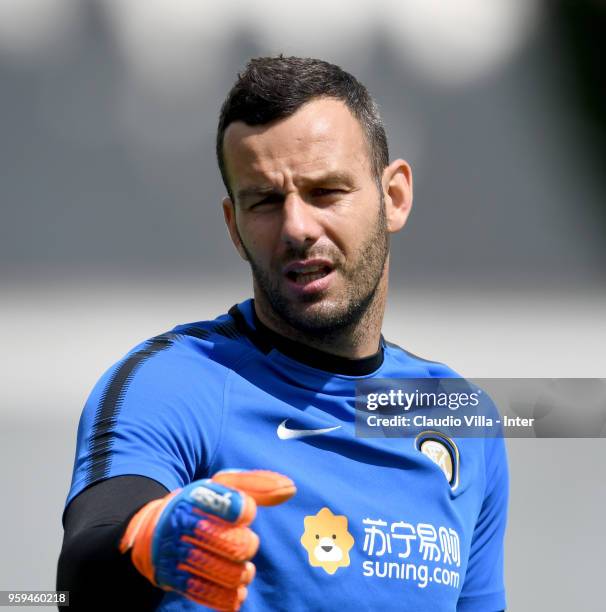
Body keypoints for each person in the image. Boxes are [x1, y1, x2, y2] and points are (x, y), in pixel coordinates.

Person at [57, 56, 508, 611]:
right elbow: (80, 574)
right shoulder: (172, 382)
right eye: (266, 201)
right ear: (233, 226)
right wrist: (146, 543)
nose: (296, 227)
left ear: (393, 197)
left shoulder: (463, 419)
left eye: (325, 192)